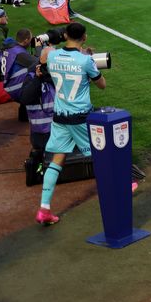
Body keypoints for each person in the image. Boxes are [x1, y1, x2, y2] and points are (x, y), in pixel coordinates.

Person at [35, 23, 106, 225]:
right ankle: (121, 185)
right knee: (99, 153)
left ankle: (44, 209)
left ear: (65, 35)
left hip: (59, 116)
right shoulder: (85, 61)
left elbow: (45, 54)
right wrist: (88, 60)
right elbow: (102, 85)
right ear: (84, 37)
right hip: (80, 116)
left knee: (57, 159)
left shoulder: (52, 55)